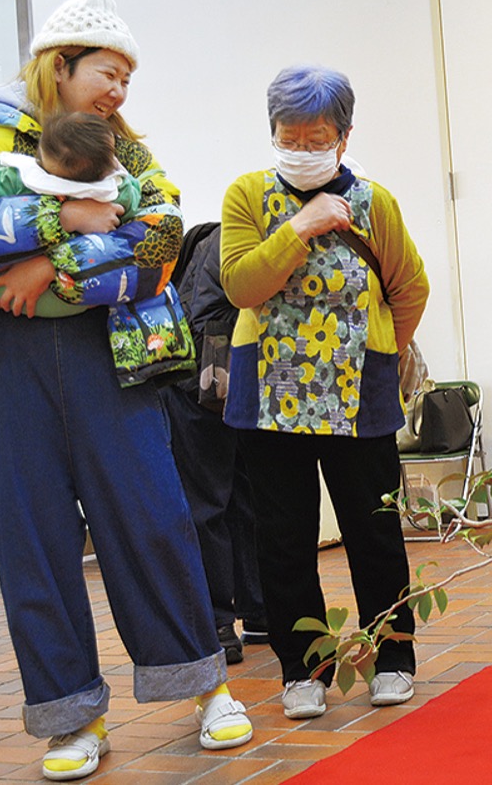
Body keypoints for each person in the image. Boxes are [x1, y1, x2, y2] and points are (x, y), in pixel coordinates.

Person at [0, 0, 253, 782]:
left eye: (128, 78)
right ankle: (72, 717)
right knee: (32, 540)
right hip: (7, 367)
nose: (120, 92)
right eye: (110, 72)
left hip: (114, 360)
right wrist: (64, 221)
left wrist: (43, 268)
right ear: (58, 65)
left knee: (153, 517)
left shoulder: (128, 150)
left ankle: (205, 688)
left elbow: (161, 241)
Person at [221, 65, 429, 720]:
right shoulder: (247, 197)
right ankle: (302, 671)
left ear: (344, 137)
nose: (303, 150)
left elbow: (409, 286)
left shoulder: (376, 202)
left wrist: (385, 351)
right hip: (268, 398)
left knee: (374, 532)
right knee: (282, 539)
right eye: (291, 136)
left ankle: (392, 659)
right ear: (272, 132)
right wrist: (300, 226)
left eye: (318, 139)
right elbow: (241, 287)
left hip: (358, 395)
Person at [164, 221, 268, 665]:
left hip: (239, 390)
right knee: (209, 505)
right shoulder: (235, 239)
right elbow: (208, 321)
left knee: (250, 499)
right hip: (199, 386)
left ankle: (260, 610)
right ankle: (218, 623)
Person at [0, 111, 140, 315]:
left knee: (0, 287)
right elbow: (134, 198)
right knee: (71, 298)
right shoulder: (116, 192)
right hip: (72, 279)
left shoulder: (20, 177)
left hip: (17, 260)